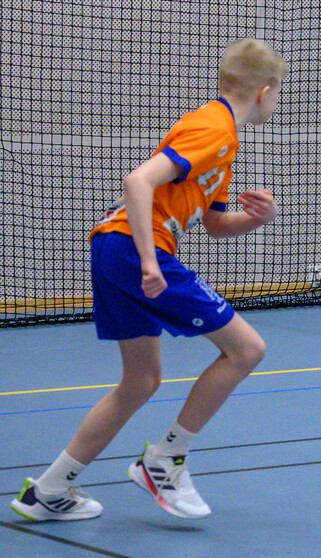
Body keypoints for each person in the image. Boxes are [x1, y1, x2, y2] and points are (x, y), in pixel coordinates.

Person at [10, 37, 287, 522]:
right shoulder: (214, 129)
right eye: (279, 92)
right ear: (265, 92)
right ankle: (165, 460)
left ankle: (49, 489)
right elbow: (138, 181)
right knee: (247, 350)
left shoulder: (221, 139)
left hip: (113, 247)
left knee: (140, 381)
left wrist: (256, 218)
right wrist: (149, 261)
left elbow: (215, 223)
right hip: (134, 249)